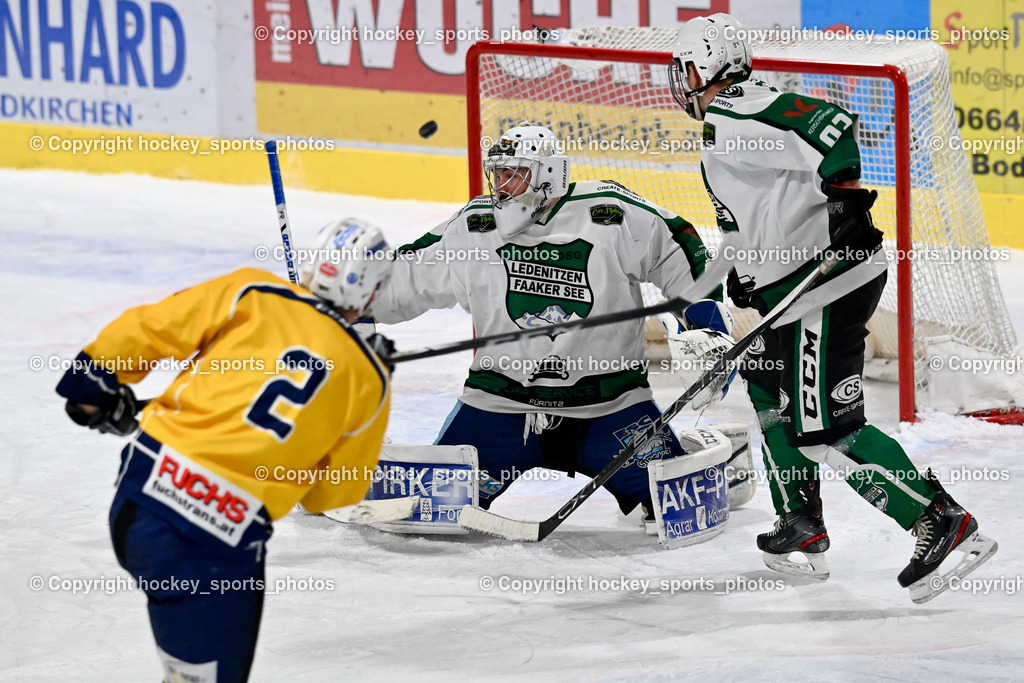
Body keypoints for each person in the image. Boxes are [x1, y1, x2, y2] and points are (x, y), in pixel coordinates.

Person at [669, 13, 997, 601]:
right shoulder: (729, 120)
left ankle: (939, 518)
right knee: (769, 392)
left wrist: (846, 197)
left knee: (826, 427)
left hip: (828, 285)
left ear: (711, 65)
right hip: (790, 291)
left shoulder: (732, 108)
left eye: (687, 68)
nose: (681, 81)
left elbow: (832, 122)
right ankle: (801, 526)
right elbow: (752, 209)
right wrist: (743, 276)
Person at [55, 219, 393, 681]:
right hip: (215, 543)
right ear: (371, 292)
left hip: (140, 505)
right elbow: (330, 497)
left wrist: (91, 385)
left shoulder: (254, 293)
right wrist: (370, 378)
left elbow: (153, 327)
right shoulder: (367, 379)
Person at [370, 123, 733, 529]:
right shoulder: (475, 226)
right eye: (498, 174)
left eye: (515, 173)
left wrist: (706, 321)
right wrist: (346, 302)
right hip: (500, 406)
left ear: (546, 174)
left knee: (682, 511)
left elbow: (680, 245)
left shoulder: (610, 213)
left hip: (611, 408)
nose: (502, 185)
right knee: (431, 513)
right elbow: (406, 277)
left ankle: (716, 461)